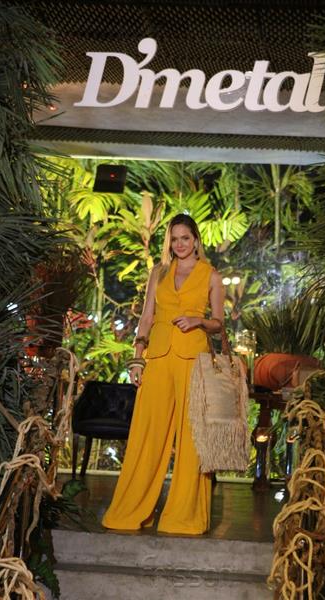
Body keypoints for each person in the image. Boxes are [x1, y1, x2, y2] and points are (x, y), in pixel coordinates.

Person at [102, 213, 225, 535]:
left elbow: (218, 323)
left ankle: (184, 517)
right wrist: (137, 359)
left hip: (193, 359)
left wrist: (199, 321)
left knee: (191, 439)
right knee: (147, 433)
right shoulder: (159, 272)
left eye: (185, 238)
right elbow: (146, 318)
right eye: (174, 238)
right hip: (157, 357)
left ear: (195, 240)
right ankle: (129, 511)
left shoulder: (211, 275)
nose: (179, 244)